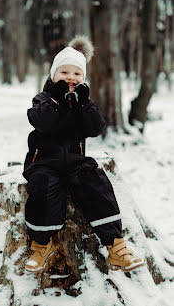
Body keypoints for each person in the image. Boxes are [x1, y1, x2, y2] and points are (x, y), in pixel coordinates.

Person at [22, 36, 144, 273]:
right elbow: (44, 123)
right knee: (43, 188)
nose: (70, 77)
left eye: (77, 74)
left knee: (95, 180)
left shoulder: (81, 102)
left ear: (83, 78)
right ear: (53, 75)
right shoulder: (44, 99)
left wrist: (85, 104)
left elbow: (96, 128)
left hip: (74, 160)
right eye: (64, 72)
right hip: (44, 161)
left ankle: (115, 245)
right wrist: (57, 99)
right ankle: (40, 244)